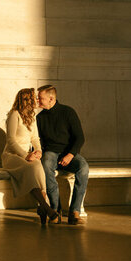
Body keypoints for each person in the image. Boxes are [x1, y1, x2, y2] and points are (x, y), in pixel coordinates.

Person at [1, 88, 59, 224]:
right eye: (35, 98)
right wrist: (25, 155)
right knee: (30, 169)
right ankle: (46, 208)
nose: (38, 100)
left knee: (38, 167)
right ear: (28, 99)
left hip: (29, 156)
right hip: (12, 156)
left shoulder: (32, 116)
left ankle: (42, 207)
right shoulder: (14, 114)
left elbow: (35, 138)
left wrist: (38, 151)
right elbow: (10, 140)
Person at [36, 85, 89, 225]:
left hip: (68, 153)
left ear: (51, 98)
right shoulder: (39, 118)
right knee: (46, 165)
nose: (38, 101)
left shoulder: (68, 112)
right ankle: (54, 209)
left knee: (83, 167)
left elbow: (80, 138)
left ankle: (74, 211)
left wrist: (70, 155)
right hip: (50, 153)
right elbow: (38, 140)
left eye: (40, 98)